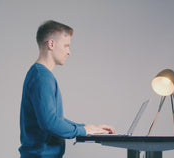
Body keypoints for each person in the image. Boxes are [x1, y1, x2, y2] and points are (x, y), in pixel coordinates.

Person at [19, 20, 115, 158]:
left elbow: (55, 119)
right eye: (66, 46)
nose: (69, 52)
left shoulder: (40, 74)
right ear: (51, 44)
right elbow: (50, 123)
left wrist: (89, 128)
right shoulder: (42, 77)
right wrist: (83, 131)